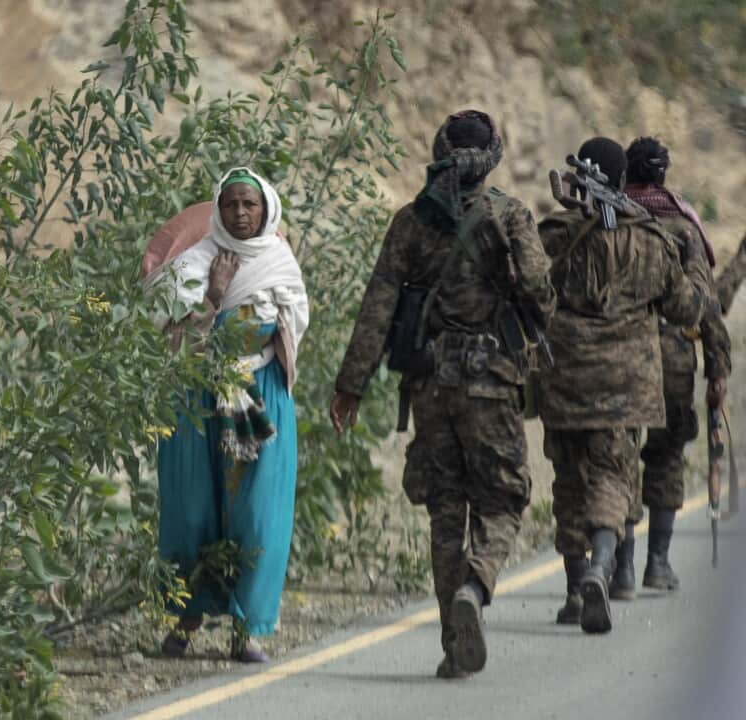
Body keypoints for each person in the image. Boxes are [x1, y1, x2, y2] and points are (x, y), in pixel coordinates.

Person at [329, 110, 554, 679]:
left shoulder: (410, 221)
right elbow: (538, 293)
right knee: (502, 498)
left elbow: (378, 305)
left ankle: (455, 644)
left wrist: (350, 385)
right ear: (493, 156)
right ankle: (475, 589)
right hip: (492, 381)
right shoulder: (511, 216)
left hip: (429, 384)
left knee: (445, 512)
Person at [538, 137, 708, 634]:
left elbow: (525, 287)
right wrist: (695, 265)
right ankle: (601, 565)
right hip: (624, 384)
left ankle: (574, 590)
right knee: (613, 477)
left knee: (569, 480)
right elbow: (687, 308)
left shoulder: (553, 234)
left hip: (565, 379)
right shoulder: (652, 241)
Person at [151, 167, 308, 663]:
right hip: (197, 400)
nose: (240, 214)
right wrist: (216, 295)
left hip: (259, 399)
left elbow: (291, 325)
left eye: (250, 205)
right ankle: (185, 620)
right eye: (231, 205)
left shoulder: (280, 264)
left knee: (259, 515)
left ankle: (247, 630)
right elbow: (171, 336)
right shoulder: (191, 266)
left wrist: (248, 340)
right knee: (191, 512)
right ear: (218, 210)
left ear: (267, 211)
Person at [608, 137, 732, 597]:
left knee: (618, 460)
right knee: (665, 458)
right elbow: (707, 307)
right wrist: (717, 369)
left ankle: (620, 568)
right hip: (675, 361)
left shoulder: (610, 219)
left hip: (620, 356)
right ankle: (657, 564)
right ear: (663, 174)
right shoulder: (683, 227)